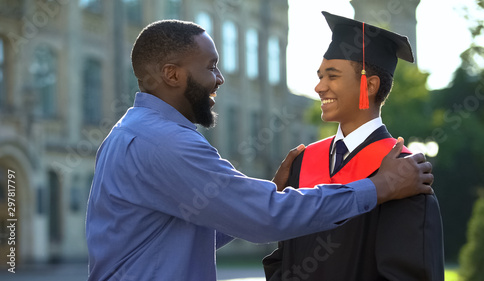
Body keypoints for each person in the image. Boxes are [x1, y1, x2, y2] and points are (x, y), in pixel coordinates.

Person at [85, 19, 434, 281]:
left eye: (333, 75)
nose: (219, 78)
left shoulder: (127, 133)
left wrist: (272, 191)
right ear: (172, 75)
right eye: (210, 67)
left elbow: (182, 234)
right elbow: (266, 219)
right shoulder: (166, 143)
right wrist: (381, 187)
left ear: (368, 86)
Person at [262, 12, 444, 281]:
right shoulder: (303, 162)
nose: (319, 87)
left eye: (331, 76)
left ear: (369, 85)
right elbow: (282, 258)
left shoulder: (405, 173)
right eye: (320, 76)